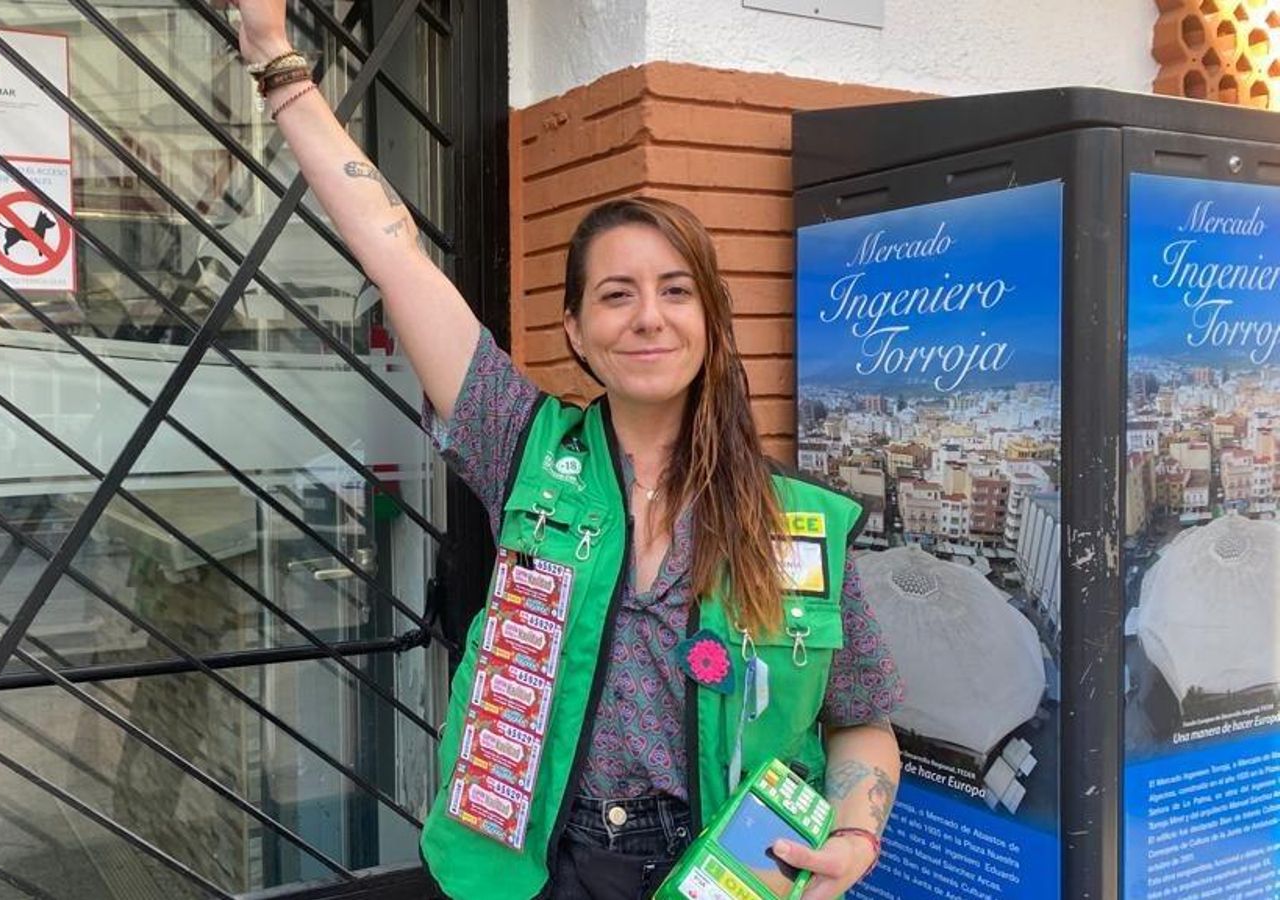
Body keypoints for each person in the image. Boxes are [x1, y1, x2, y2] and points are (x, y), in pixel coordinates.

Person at [229, 4, 904, 898]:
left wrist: (855, 834)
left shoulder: (803, 521)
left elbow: (861, 723)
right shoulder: (522, 443)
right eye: (616, 295)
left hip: (727, 871)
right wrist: (279, 64)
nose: (649, 317)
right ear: (576, 332)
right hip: (545, 866)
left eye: (675, 291)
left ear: (711, 321)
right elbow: (395, 258)